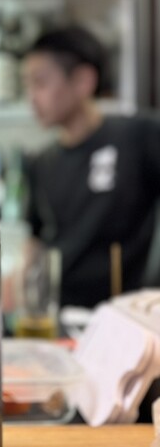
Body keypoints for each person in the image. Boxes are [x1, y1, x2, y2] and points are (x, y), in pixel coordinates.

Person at [22, 25, 160, 309]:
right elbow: (36, 238)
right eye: (27, 85)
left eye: (40, 82)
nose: (31, 97)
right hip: (60, 312)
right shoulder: (41, 162)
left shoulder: (138, 136)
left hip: (126, 312)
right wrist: (22, 286)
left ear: (83, 81)